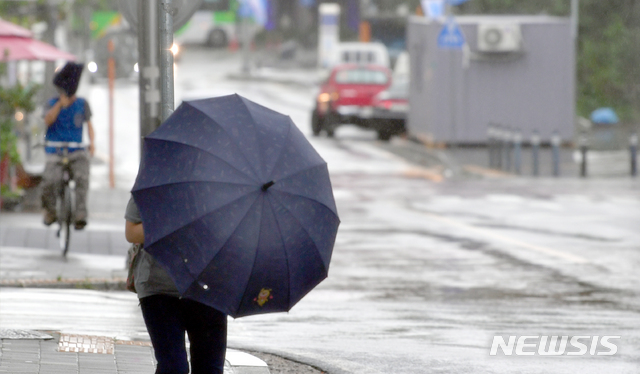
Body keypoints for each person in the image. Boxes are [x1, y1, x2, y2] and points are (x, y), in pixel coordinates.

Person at [124, 196, 228, 374]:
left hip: (209, 287)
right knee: (173, 368)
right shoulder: (159, 177)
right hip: (159, 286)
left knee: (209, 368)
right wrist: (175, 222)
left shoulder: (228, 184)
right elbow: (132, 232)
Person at [41, 62, 95, 230]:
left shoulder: (82, 104)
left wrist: (92, 143)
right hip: (55, 150)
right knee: (49, 180)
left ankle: (80, 214)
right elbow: (47, 120)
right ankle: (50, 212)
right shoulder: (51, 103)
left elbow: (89, 125)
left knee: (82, 178)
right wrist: (60, 105)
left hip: (76, 150)